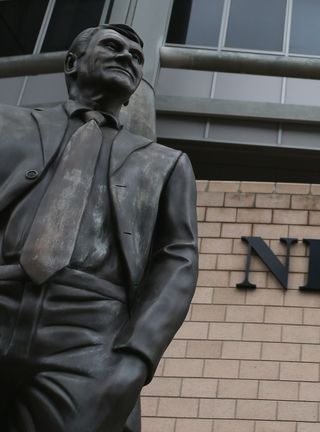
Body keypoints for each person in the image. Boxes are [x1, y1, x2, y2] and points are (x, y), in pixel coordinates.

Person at [0, 24, 198, 431]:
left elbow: (178, 260)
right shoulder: (6, 126)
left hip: (90, 334)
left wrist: (137, 357)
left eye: (137, 56)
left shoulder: (165, 163)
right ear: (72, 62)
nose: (128, 57)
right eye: (113, 46)